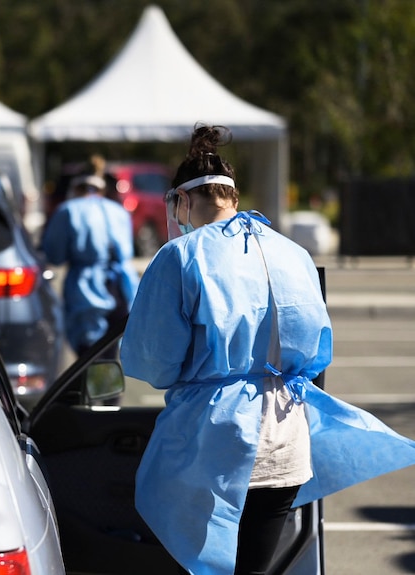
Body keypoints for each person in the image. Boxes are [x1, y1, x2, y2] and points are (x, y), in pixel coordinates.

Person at [119, 123, 415, 575]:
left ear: (181, 201)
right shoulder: (292, 253)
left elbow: (153, 362)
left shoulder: (181, 257)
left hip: (212, 444)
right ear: (233, 198)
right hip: (285, 442)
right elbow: (317, 352)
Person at [41, 168, 140, 357]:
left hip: (86, 287)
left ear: (76, 188)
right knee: (110, 348)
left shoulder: (68, 210)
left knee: (88, 352)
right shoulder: (118, 210)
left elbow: (55, 254)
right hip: (122, 287)